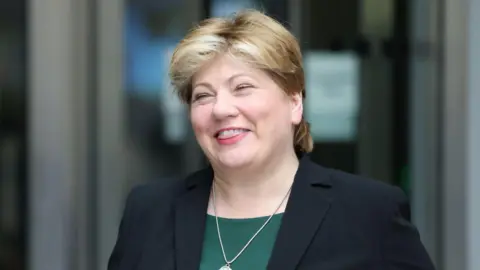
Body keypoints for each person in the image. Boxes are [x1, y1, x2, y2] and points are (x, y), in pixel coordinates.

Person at [108, 10, 435, 270]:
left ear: (294, 103)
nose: (221, 109)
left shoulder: (368, 214)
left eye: (242, 88)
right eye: (203, 96)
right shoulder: (148, 211)